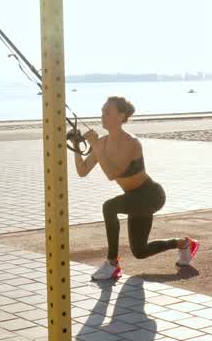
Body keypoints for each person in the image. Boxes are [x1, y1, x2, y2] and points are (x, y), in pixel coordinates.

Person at [72, 96, 198, 281]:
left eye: (108, 112)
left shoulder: (131, 143)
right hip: (133, 198)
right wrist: (76, 145)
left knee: (109, 206)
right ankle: (184, 243)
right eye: (102, 112)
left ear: (121, 116)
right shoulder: (103, 142)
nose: (103, 115)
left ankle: (112, 264)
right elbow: (82, 171)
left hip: (150, 195)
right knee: (140, 251)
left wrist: (96, 147)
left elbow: (111, 173)